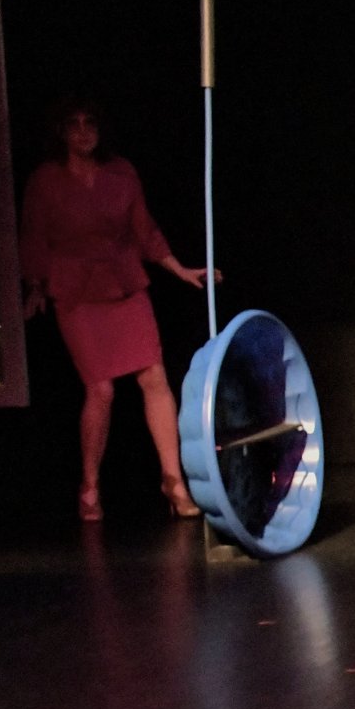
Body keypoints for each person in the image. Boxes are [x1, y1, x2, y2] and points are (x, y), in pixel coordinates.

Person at [20, 98, 218, 521]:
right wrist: (35, 285)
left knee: (154, 376)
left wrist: (180, 269)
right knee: (102, 389)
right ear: (61, 132)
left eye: (90, 123)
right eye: (73, 124)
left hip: (124, 284)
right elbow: (34, 235)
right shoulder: (46, 180)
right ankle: (90, 485)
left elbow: (145, 231)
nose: (83, 131)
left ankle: (173, 481)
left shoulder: (121, 172)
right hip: (76, 292)